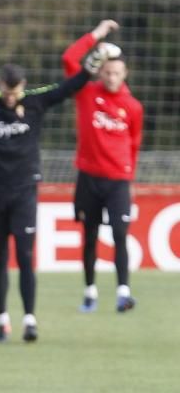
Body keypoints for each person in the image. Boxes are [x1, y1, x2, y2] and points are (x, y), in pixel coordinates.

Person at [0, 42, 92, 342]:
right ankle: (1, 319)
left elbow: (69, 86)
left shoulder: (35, 102)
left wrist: (92, 64)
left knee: (24, 255)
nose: (11, 98)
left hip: (24, 190)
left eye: (15, 91)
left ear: (22, 86)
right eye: (7, 92)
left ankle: (30, 320)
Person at [62, 19, 143, 313]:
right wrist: (96, 35)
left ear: (125, 74)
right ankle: (90, 291)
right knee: (90, 235)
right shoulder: (87, 93)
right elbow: (68, 59)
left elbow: (134, 142)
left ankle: (123, 291)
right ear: (100, 71)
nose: (112, 78)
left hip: (118, 181)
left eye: (117, 73)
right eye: (107, 72)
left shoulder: (133, 106)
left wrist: (127, 172)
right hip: (89, 178)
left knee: (121, 233)